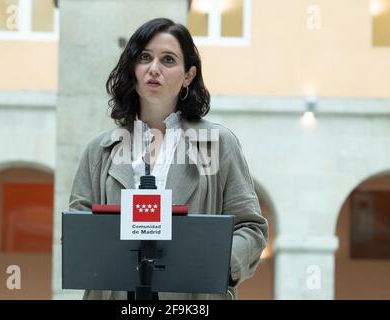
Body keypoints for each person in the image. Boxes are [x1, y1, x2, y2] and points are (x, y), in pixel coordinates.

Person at [69, 17, 268, 300]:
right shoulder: (99, 151)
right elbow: (78, 231)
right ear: (133, 69)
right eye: (145, 57)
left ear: (188, 75)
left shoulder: (216, 144)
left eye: (168, 60)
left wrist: (214, 265)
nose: (154, 69)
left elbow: (251, 228)